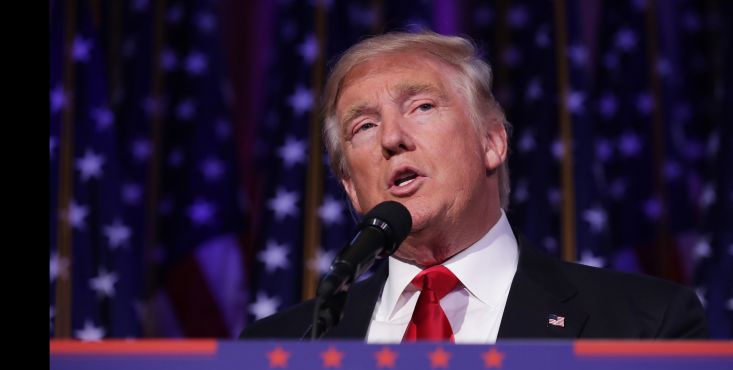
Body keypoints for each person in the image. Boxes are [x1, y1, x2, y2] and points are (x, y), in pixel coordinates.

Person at [240, 31, 708, 341]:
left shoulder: (644, 324)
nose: (391, 138)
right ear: (351, 188)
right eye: (363, 126)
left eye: (422, 106)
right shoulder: (282, 346)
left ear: (492, 142)